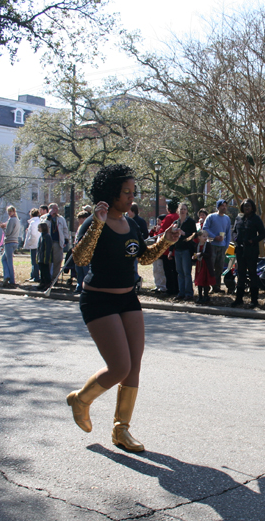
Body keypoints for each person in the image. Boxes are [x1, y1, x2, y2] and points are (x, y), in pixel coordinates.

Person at [68, 164, 181, 453]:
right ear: (111, 193)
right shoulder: (95, 221)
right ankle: (81, 399)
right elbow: (80, 259)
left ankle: (121, 430)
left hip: (128, 298)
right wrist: (96, 223)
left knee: (134, 365)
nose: (132, 197)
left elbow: (142, 258)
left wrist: (165, 243)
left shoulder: (132, 224)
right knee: (119, 367)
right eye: (126, 192)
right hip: (98, 300)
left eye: (133, 192)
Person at [230, 198, 265, 308]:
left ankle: (254, 300)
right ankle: (239, 299)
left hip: (251, 250)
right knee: (240, 274)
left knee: (252, 273)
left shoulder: (256, 219)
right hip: (240, 249)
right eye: (245, 206)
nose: (246, 208)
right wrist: (236, 239)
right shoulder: (239, 218)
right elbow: (234, 231)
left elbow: (262, 234)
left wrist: (253, 240)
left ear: (252, 208)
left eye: (248, 206)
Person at [203, 199, 232, 293]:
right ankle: (207, 286)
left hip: (222, 246)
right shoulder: (211, 217)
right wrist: (214, 237)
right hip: (212, 245)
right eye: (222, 205)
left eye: (225, 206)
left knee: (219, 267)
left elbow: (228, 232)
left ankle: (217, 286)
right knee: (210, 266)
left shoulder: (227, 218)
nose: (224, 207)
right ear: (218, 207)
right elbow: (205, 228)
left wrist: (226, 245)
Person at [41, 203, 70, 282]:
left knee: (58, 260)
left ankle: (55, 278)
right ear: (50, 209)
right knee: (48, 261)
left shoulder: (61, 219)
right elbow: (43, 227)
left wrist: (66, 240)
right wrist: (49, 217)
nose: (56, 210)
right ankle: (47, 278)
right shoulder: (44, 218)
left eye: (57, 209)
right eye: (54, 209)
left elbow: (65, 229)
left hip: (57, 242)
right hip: (48, 243)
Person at [173, 203, 197, 301]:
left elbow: (194, 235)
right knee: (180, 272)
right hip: (177, 249)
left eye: (184, 209)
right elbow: (172, 238)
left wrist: (184, 234)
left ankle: (189, 293)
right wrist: (171, 250)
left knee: (187, 272)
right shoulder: (176, 222)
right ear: (178, 211)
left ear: (187, 211)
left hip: (186, 249)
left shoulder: (190, 222)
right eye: (181, 209)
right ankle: (181, 293)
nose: (182, 211)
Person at [0, 205, 21, 288]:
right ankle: (7, 275)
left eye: (10, 211)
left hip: (9, 242)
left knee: (9, 261)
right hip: (15, 241)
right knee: (4, 259)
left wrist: (3, 228)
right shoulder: (17, 220)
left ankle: (10, 278)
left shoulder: (12, 220)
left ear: (13, 212)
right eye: (8, 211)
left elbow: (8, 232)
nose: (9, 213)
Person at [193, 230, 215, 303]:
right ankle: (200, 296)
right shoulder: (197, 245)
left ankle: (206, 296)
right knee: (199, 280)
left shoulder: (208, 245)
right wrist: (194, 257)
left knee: (205, 281)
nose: (205, 238)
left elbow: (209, 255)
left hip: (206, 265)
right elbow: (195, 254)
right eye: (203, 236)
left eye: (206, 236)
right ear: (199, 237)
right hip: (199, 265)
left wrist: (201, 254)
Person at [73, 211, 91, 295]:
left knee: (85, 270)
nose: (79, 220)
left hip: (85, 251)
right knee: (79, 270)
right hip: (78, 251)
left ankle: (86, 287)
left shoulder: (89, 227)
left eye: (81, 218)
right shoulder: (80, 227)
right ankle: (79, 286)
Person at [23, 208, 41, 283]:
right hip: (38, 243)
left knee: (34, 261)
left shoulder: (33, 222)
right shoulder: (39, 221)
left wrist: (29, 242)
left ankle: (35, 276)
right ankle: (33, 275)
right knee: (35, 261)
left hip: (34, 244)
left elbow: (33, 234)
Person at [37, 223, 53, 291]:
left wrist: (46, 258)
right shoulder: (41, 236)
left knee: (46, 271)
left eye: (39, 227)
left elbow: (48, 248)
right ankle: (42, 282)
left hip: (45, 258)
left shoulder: (47, 236)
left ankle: (47, 283)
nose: (38, 229)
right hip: (41, 257)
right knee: (42, 271)